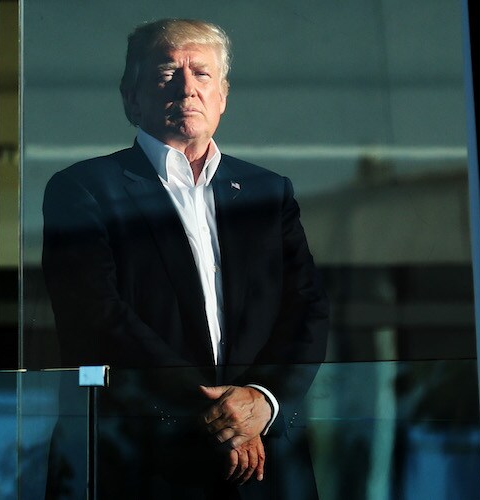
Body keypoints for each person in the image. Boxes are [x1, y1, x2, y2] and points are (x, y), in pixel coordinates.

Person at [42, 18, 329, 499]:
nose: (187, 88)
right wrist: (222, 416)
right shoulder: (83, 190)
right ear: (131, 97)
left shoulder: (268, 192)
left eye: (202, 74)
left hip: (264, 466)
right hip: (140, 462)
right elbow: (97, 315)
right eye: (166, 73)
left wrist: (262, 401)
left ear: (223, 96)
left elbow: (308, 309)